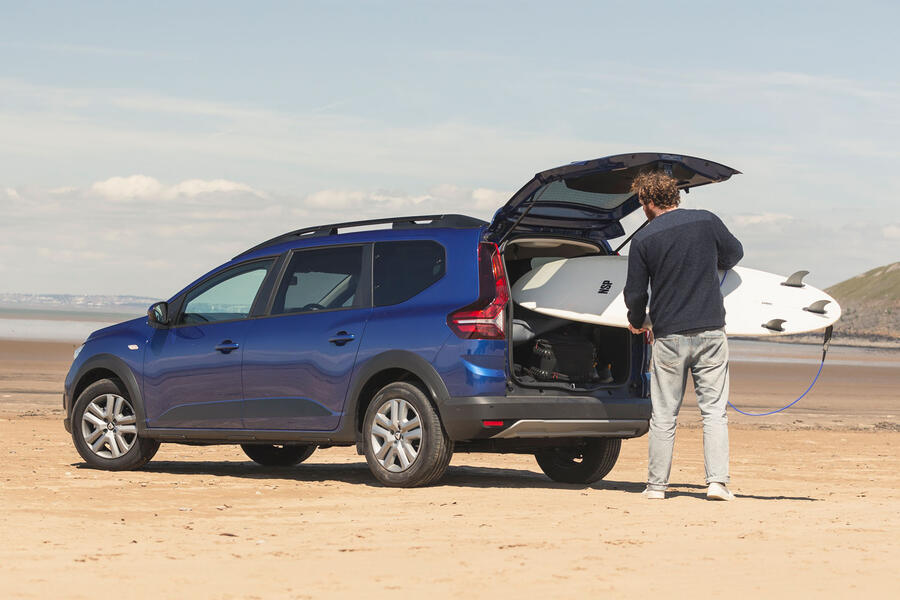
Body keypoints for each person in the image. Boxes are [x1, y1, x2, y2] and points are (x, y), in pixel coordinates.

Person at [623, 171, 743, 501]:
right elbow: (734, 255)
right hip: (710, 331)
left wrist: (637, 321)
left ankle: (656, 487)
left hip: (669, 336)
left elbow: (634, 293)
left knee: (664, 414)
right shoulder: (706, 222)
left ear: (647, 203)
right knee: (714, 411)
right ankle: (717, 483)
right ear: (675, 196)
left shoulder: (644, 240)